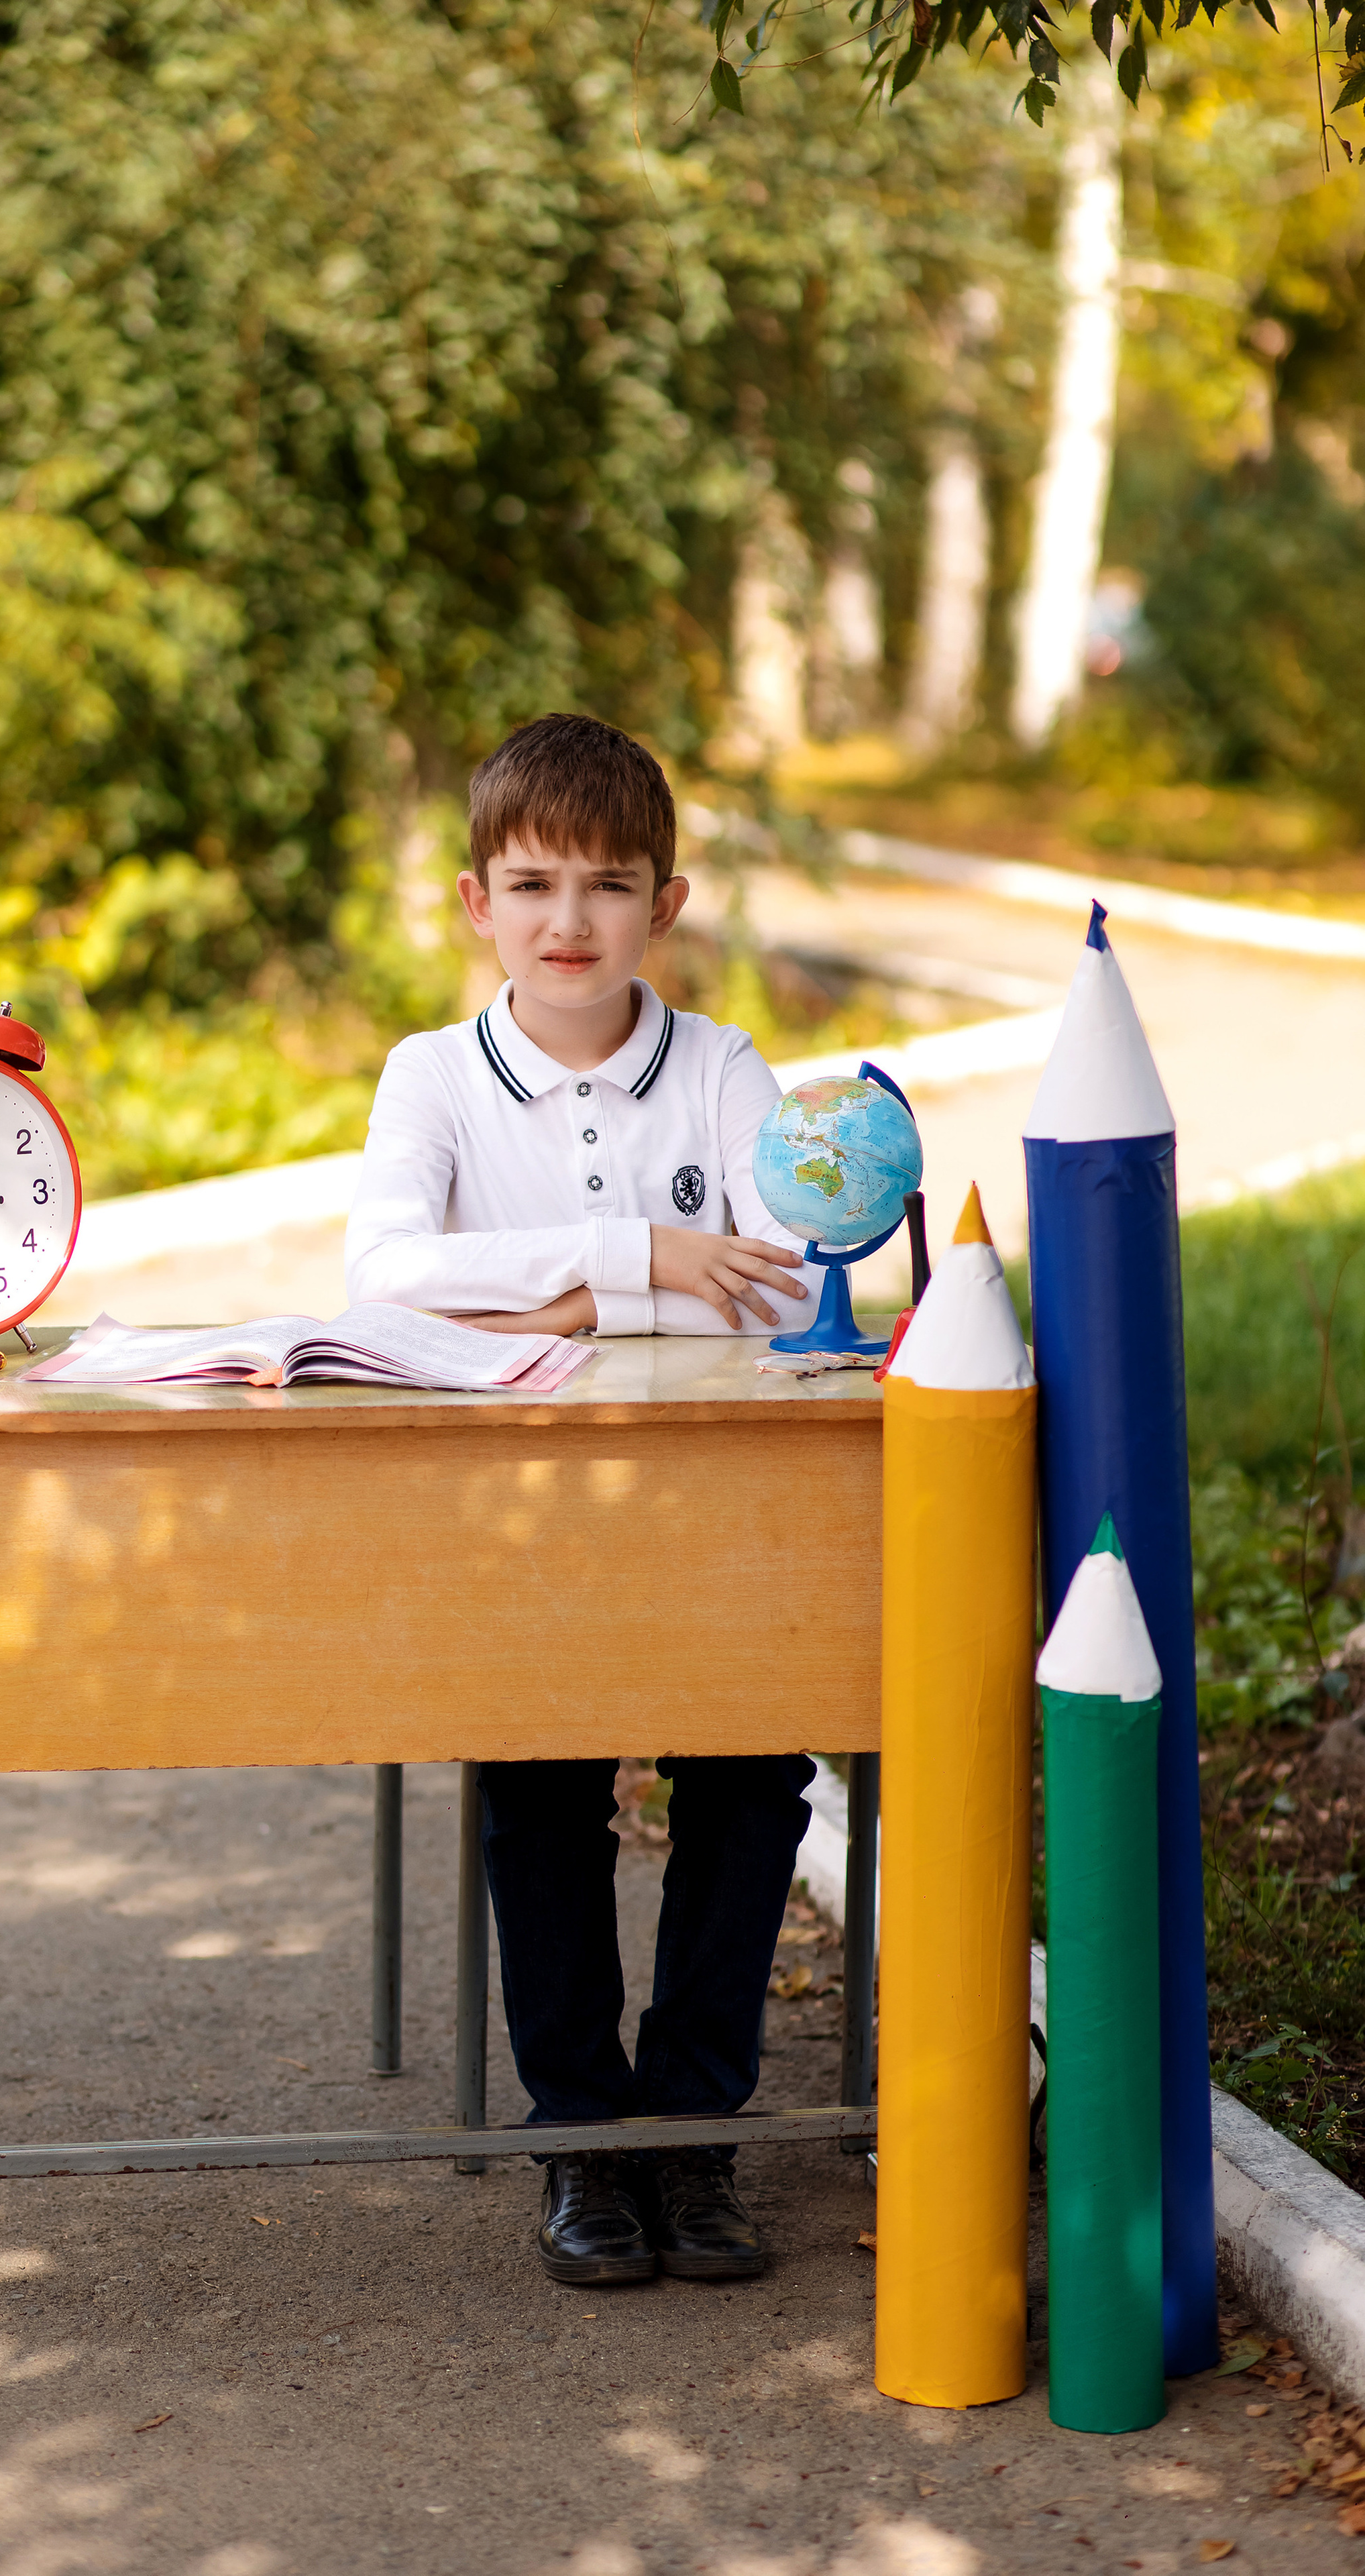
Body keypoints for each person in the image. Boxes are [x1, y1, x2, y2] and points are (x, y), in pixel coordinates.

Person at [344, 711, 820, 2287]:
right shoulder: (431, 1082)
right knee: (538, 1788)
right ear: (475, 902)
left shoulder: (724, 1071)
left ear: (662, 905)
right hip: (518, 1527)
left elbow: (784, 1284)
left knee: (751, 1776)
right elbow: (387, 1281)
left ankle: (687, 2130)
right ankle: (577, 2136)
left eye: (607, 885)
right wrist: (640, 1263)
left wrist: (553, 1304)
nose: (568, 921)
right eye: (532, 883)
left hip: (717, 1524)